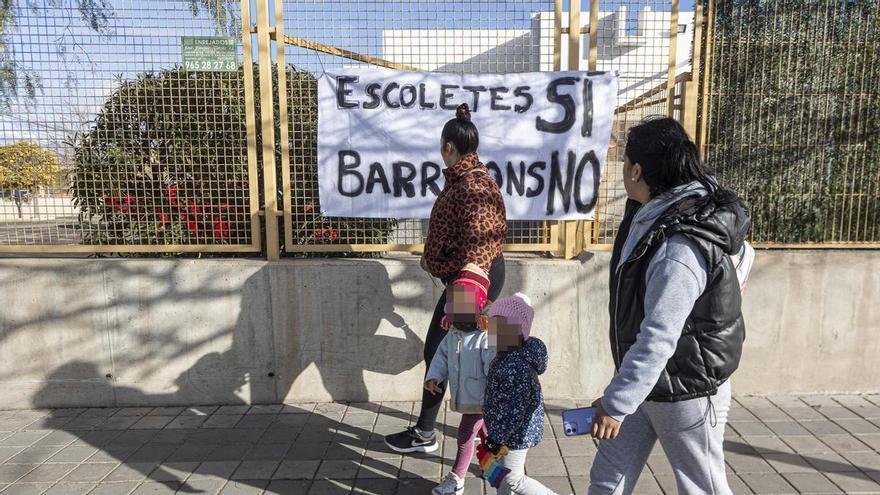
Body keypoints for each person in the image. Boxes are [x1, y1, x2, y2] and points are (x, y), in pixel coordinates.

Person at [587, 117, 752, 495]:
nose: (621, 173)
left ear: (637, 169)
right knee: (607, 478)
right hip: (647, 381)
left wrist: (617, 403)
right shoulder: (655, 214)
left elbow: (659, 336)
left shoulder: (679, 246)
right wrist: (624, 393)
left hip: (687, 390)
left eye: (623, 163)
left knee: (701, 486)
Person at [386, 103, 508, 454]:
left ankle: (470, 435)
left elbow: (483, 239)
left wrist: (466, 287)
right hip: (467, 277)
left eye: (441, 145)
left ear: (449, 147)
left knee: (455, 356)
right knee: (451, 354)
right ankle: (442, 431)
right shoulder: (465, 179)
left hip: (471, 279)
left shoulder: (474, 185)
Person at [481, 293, 558, 495]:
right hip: (505, 430)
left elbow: (514, 410)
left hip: (516, 434)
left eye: (499, 327)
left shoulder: (515, 366)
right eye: (492, 326)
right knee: (501, 476)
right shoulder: (505, 356)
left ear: (518, 331)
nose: (492, 332)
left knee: (513, 480)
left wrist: (496, 438)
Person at [425, 276, 494, 495]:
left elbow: (492, 366)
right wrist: (434, 377)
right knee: (486, 432)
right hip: (466, 397)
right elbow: (441, 358)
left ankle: (457, 479)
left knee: (465, 435)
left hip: (480, 397)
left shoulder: (484, 337)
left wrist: (496, 392)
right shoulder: (452, 334)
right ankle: (493, 468)